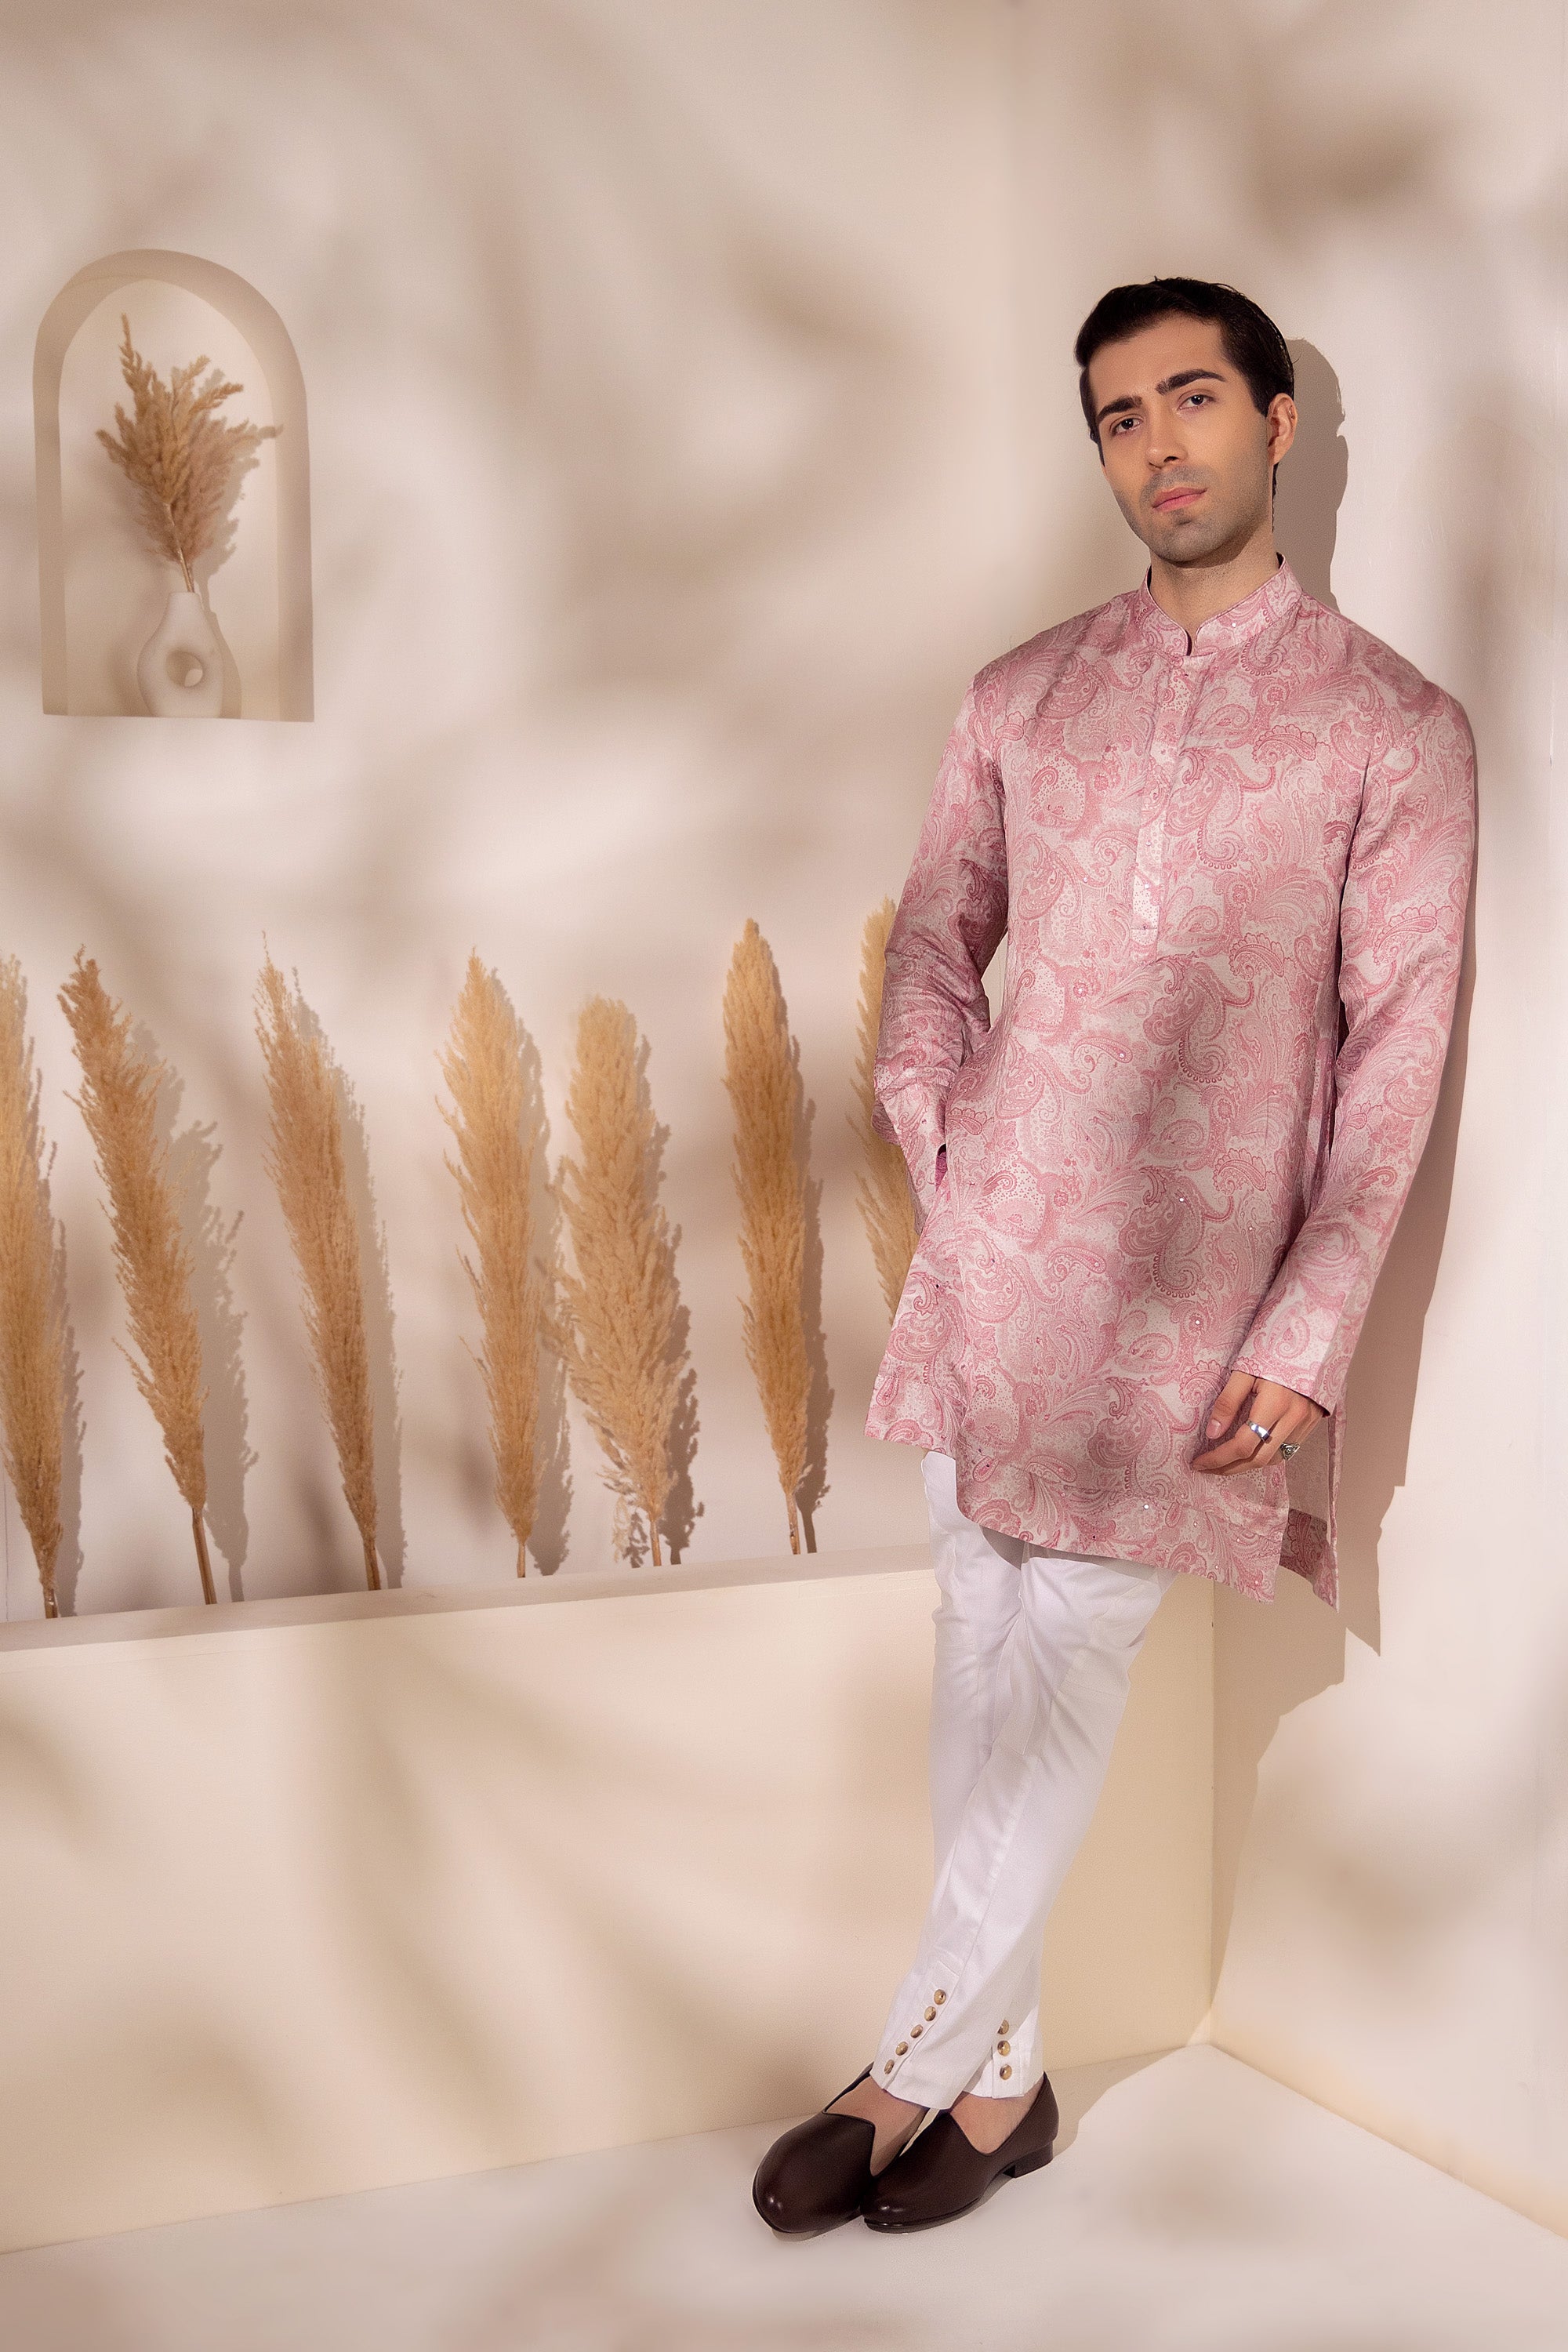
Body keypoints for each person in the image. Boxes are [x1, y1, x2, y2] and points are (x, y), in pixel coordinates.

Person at [752, 276, 1477, 2237]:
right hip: (997, 1266)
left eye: (1191, 399)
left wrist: (1309, 1325)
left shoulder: (1392, 728)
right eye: (1119, 416)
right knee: (978, 1655)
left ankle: (905, 2064)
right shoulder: (1022, 695)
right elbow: (934, 937)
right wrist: (946, 1128)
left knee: (1064, 1668)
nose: (1157, 444)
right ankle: (1006, 2090)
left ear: (1276, 425)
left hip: (1194, 1299)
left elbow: (1394, 1054)